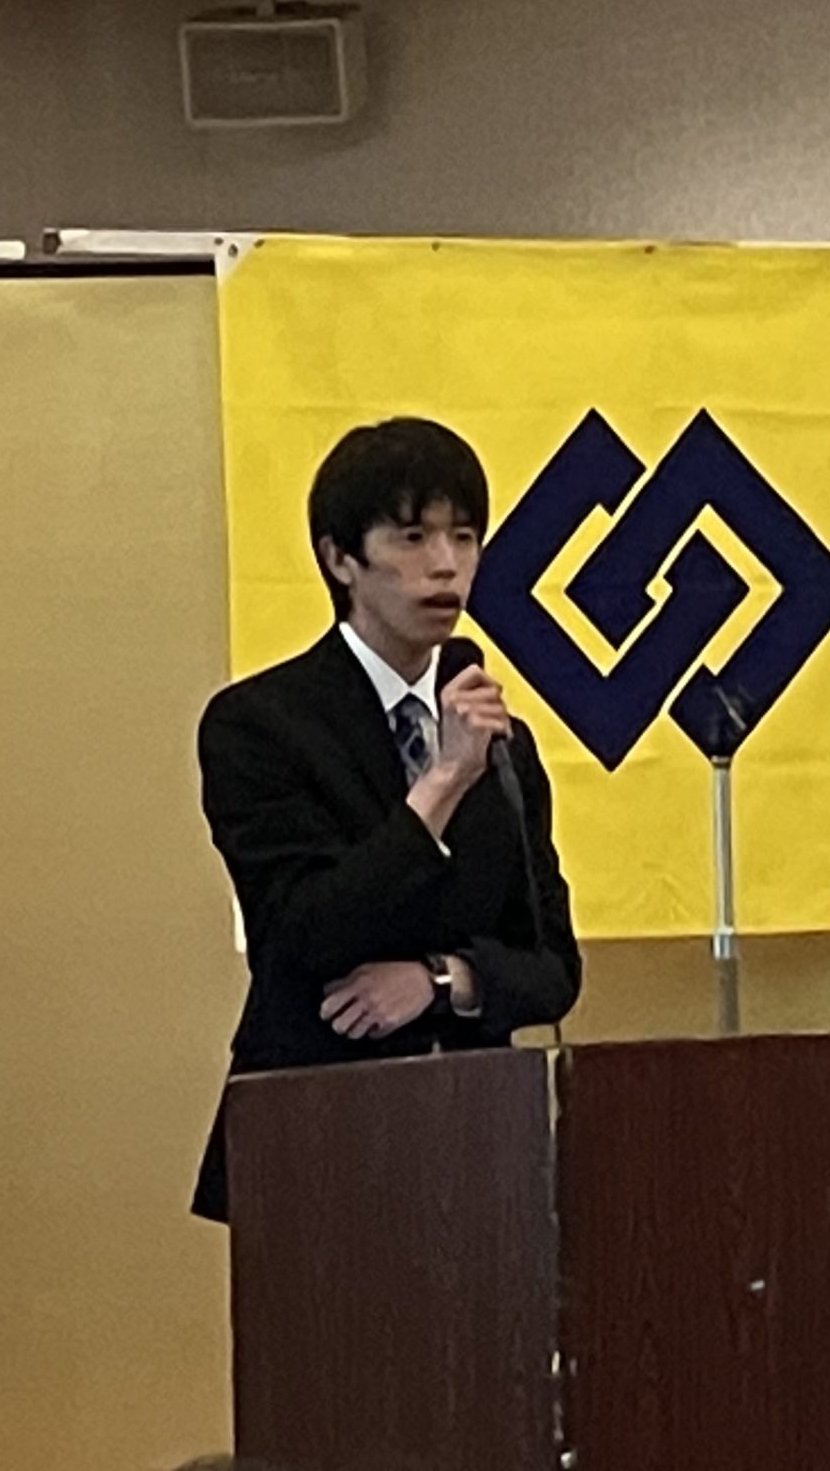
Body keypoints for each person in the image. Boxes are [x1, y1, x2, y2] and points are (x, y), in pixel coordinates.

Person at [192, 417, 582, 1223]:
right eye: (412, 537)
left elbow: (552, 965)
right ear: (341, 558)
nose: (445, 564)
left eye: (463, 537)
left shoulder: (500, 743)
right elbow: (301, 933)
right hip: (312, 1130)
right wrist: (441, 782)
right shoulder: (259, 723)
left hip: (477, 1137)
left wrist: (442, 981)